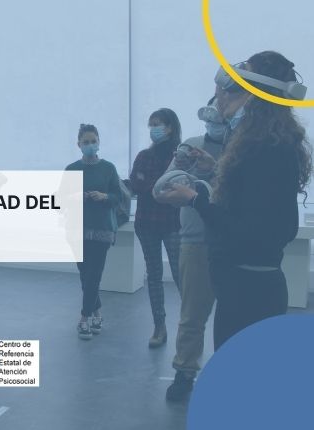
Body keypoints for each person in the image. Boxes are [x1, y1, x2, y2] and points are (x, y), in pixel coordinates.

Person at [159, 51, 312, 350]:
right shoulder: (267, 146)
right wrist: (217, 169)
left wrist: (195, 199)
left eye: (234, 87)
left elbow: (250, 231)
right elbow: (254, 199)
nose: (221, 95)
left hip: (249, 294)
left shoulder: (268, 150)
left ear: (258, 96)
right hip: (243, 288)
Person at [155, 98, 226, 401]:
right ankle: (184, 372)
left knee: (233, 315)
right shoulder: (191, 147)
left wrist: (215, 171)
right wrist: (183, 174)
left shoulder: (245, 148)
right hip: (196, 240)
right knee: (192, 314)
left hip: (233, 242)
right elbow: (162, 190)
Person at [129, 108, 182, 348]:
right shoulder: (144, 155)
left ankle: (188, 325)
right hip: (147, 223)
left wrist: (153, 187)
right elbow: (136, 184)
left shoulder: (180, 156)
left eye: (157, 124)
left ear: (170, 127)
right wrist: (160, 187)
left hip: (173, 223)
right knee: (154, 275)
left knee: (180, 274)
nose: (153, 129)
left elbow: (182, 185)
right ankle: (159, 326)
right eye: (151, 125)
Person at [65, 124, 121, 340]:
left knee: (94, 275)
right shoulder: (71, 169)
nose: (90, 145)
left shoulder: (108, 168)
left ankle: (84, 318)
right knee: (85, 275)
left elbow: (118, 197)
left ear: (99, 142)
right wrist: (75, 197)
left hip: (102, 229)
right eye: (86, 142)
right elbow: (60, 198)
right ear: (78, 144)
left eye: (93, 141)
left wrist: (105, 197)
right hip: (76, 230)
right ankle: (97, 313)